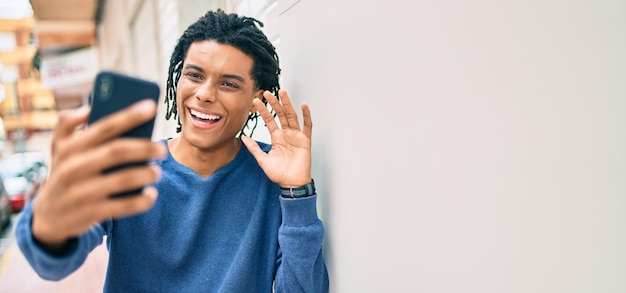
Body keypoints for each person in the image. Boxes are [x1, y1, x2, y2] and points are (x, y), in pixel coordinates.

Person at [16, 9, 329, 292]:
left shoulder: (272, 175)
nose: (204, 94)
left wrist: (296, 192)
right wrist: (48, 221)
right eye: (194, 75)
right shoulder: (132, 165)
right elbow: (53, 264)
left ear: (255, 100)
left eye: (228, 84)